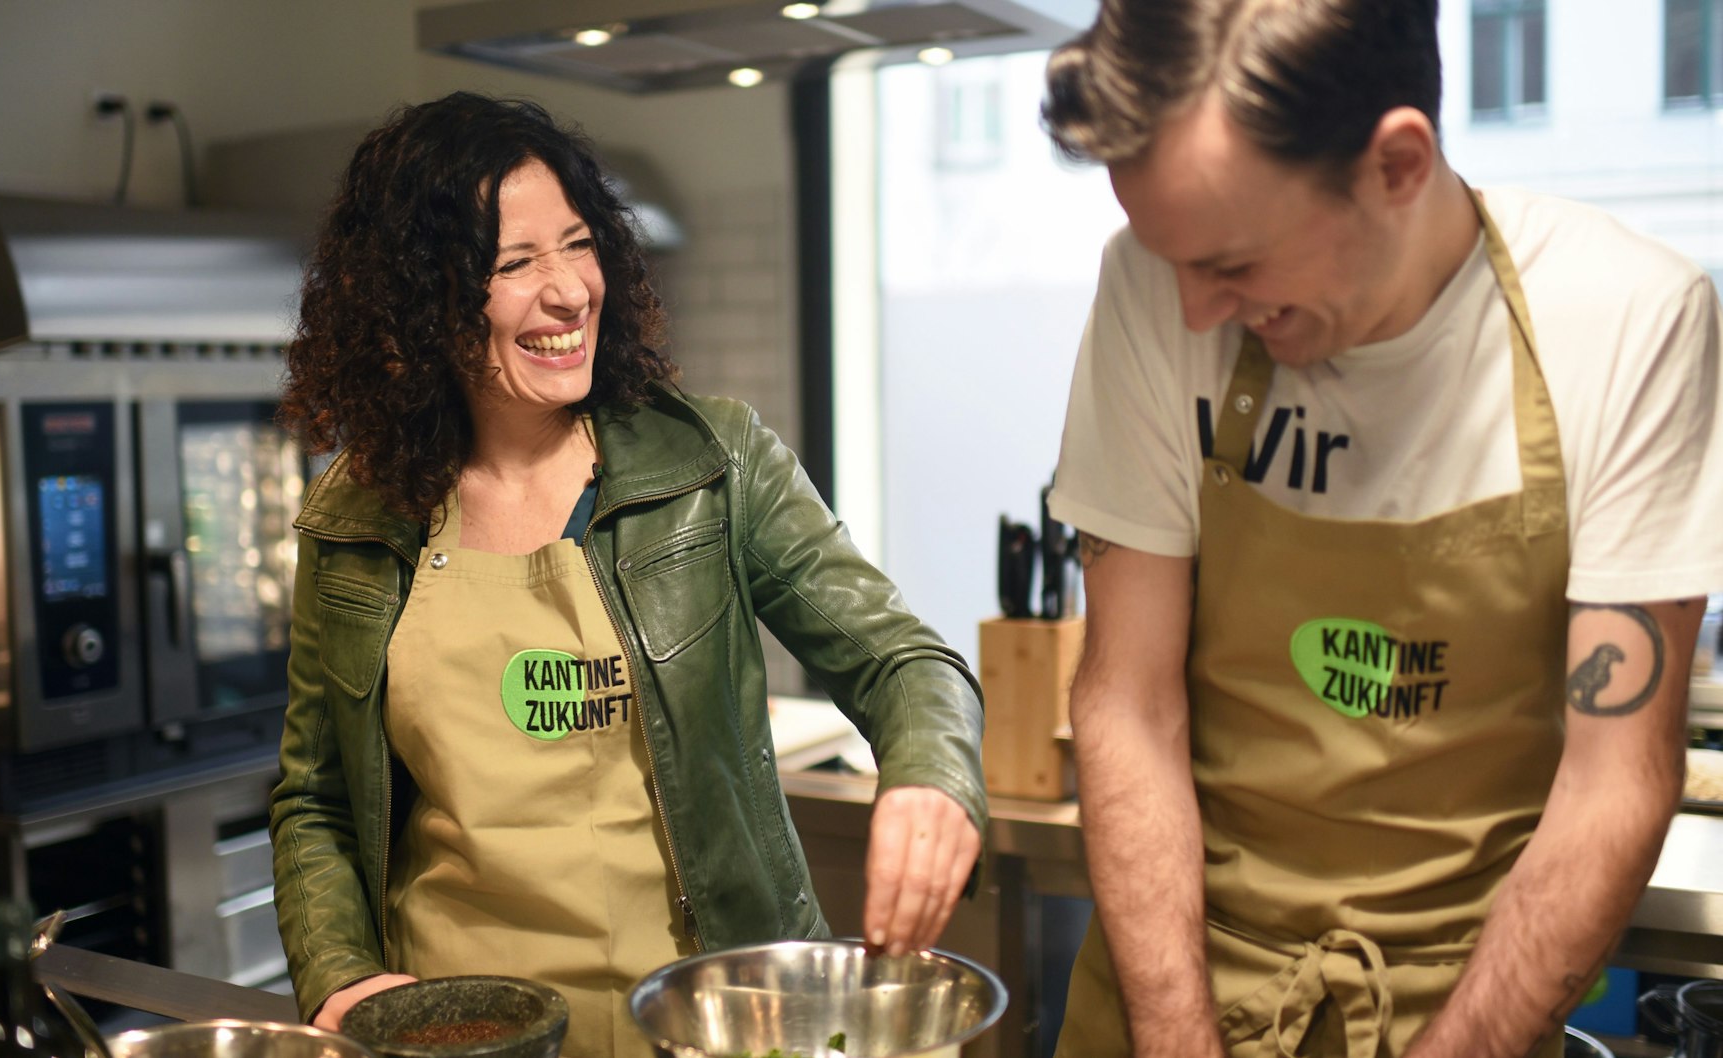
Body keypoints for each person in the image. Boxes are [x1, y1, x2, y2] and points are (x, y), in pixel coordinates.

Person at [1039, 2, 1723, 1057]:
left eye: (1232, 262)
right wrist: (1176, 1034)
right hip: (1172, 980)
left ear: (1396, 163)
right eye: (1167, 256)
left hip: (1465, 995)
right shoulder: (1147, 285)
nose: (1191, 311)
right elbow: (1127, 699)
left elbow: (1615, 777)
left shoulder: (1626, 319)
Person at [268, 92, 987, 1058]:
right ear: (421, 298)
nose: (568, 292)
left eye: (577, 244)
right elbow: (313, 795)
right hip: (469, 1038)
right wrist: (343, 976)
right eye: (514, 263)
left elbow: (904, 661)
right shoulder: (357, 518)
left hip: (716, 1026)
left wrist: (933, 777)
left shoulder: (713, 462)